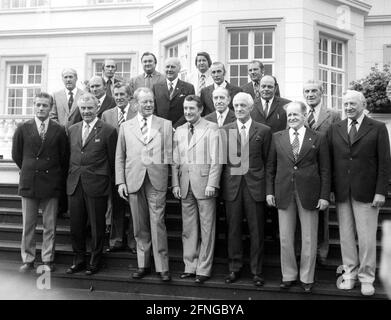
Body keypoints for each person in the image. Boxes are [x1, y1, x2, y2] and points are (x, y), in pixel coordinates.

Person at [328, 89, 391, 296]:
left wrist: (381, 191)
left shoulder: (378, 128)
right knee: (346, 238)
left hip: (368, 192)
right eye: (345, 104)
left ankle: (366, 278)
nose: (348, 108)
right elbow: (330, 162)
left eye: (352, 104)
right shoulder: (335, 128)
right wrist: (329, 190)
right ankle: (350, 275)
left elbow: (384, 163)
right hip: (342, 192)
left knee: (366, 239)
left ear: (363, 104)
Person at [266, 101, 330, 293]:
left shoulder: (318, 137)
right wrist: (269, 191)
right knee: (285, 237)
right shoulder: (277, 137)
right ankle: (288, 275)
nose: (292, 118)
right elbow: (270, 167)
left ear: (304, 116)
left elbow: (326, 169)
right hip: (284, 191)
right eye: (290, 115)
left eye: (296, 115)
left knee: (309, 237)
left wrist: (324, 196)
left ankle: (306, 277)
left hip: (309, 192)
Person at [115, 87, 172, 282]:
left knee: (158, 223)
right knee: (139, 225)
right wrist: (120, 181)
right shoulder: (125, 127)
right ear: (135, 104)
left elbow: (172, 154)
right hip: (133, 179)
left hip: (157, 179)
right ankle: (143, 264)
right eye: (144, 102)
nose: (148, 105)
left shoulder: (165, 124)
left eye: (151, 101)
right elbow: (120, 156)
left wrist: (175, 180)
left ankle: (162, 266)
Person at [12, 92, 69, 273]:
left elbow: (63, 157)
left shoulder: (59, 130)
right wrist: (29, 168)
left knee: (49, 225)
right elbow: (17, 154)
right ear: (33, 106)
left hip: (51, 182)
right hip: (29, 181)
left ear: (51, 107)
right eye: (38, 105)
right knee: (28, 225)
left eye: (45, 105)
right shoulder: (23, 128)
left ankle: (47, 259)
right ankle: (28, 259)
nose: (41, 108)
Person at [220, 92, 272, 287]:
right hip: (232, 187)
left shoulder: (264, 131)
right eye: (236, 105)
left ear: (251, 108)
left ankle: (257, 271)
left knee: (256, 230)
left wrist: (268, 190)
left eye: (243, 105)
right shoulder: (225, 130)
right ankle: (234, 268)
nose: (239, 109)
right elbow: (222, 162)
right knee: (233, 229)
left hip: (255, 187)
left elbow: (269, 163)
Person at [66, 93, 118, 276]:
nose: (86, 111)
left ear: (97, 108)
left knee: (97, 226)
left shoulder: (109, 130)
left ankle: (95, 260)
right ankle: (78, 259)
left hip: (97, 184)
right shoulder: (72, 129)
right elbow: (67, 158)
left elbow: (113, 161)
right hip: (75, 184)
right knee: (76, 225)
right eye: (83, 108)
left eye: (90, 108)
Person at [172, 95, 222, 284]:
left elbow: (216, 159)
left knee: (207, 228)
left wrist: (212, 183)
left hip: (204, 185)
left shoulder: (211, 128)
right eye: (185, 109)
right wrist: (175, 183)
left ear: (200, 109)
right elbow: (175, 160)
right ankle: (190, 266)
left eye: (191, 109)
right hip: (185, 185)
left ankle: (203, 268)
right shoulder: (180, 130)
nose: (187, 112)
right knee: (188, 228)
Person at [303, 80, 341, 265]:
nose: (310, 94)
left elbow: (337, 145)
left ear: (321, 92)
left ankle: (322, 252)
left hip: (323, 170)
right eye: (307, 91)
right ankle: (305, 251)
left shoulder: (333, 115)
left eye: (314, 91)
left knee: (322, 214)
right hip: (303, 171)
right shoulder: (300, 113)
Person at [102, 83, 138, 254]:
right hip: (112, 164)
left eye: (122, 94)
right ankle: (116, 241)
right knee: (116, 204)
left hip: (133, 164)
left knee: (133, 206)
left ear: (129, 95)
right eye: (116, 94)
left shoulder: (137, 112)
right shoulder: (106, 114)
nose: (119, 97)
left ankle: (133, 241)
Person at [153, 57, 195, 129]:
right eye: (167, 67)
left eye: (172, 67)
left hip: (181, 129)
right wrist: (161, 126)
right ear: (164, 69)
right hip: (160, 129)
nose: (169, 69)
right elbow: (153, 109)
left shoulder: (189, 87)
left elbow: (190, 109)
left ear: (179, 69)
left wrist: (175, 127)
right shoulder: (156, 87)